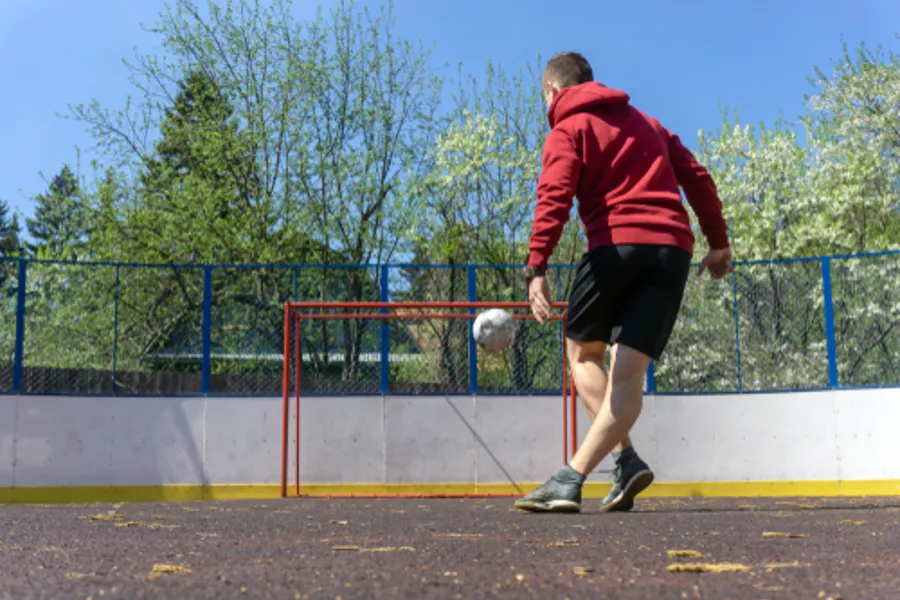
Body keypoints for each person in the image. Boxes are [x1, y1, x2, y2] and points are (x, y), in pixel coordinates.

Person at [516, 51, 733, 513]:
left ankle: (570, 477)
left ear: (553, 92)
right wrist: (718, 243)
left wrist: (537, 268)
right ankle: (627, 462)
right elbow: (696, 176)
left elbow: (554, 197)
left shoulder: (567, 129)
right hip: (672, 252)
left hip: (615, 247)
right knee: (628, 373)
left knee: (583, 353)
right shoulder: (648, 123)